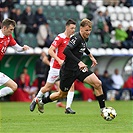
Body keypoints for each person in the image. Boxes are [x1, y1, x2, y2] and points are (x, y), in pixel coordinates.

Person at [32, 18, 106, 116]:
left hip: (78, 70)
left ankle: (103, 110)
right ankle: (42, 102)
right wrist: (79, 62)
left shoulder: (84, 38)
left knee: (98, 83)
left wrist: (91, 56)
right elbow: (66, 51)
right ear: (81, 28)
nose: (88, 32)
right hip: (68, 71)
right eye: (87, 30)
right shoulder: (76, 38)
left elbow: (84, 47)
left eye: (90, 30)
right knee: (61, 94)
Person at [30, 19, 76, 114]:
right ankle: (36, 100)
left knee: (71, 85)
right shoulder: (60, 37)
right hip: (56, 67)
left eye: (74, 28)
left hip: (66, 68)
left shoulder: (73, 39)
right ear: (66, 27)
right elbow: (50, 51)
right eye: (71, 28)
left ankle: (68, 107)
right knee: (47, 88)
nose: (73, 30)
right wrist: (58, 60)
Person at [0, 18, 30, 98]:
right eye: (11, 29)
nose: (12, 32)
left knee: (13, 86)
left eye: (13, 30)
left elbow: (17, 48)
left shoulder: (9, 37)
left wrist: (23, 48)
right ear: (4, 28)